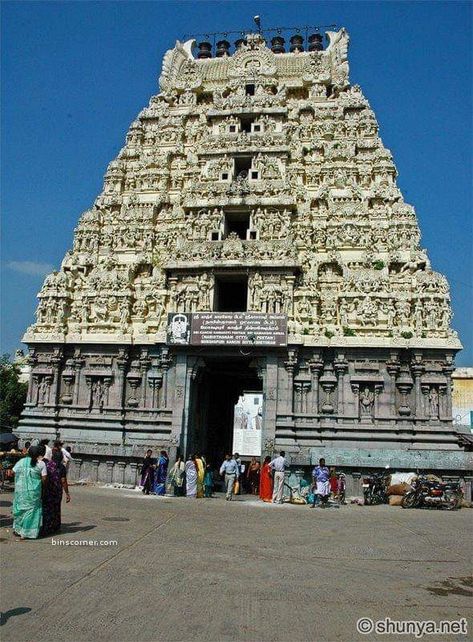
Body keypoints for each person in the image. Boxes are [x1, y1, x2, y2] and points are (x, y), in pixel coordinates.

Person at [11, 445, 48, 539]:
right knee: (32, 511)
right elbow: (44, 478)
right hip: (34, 492)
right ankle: (28, 533)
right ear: (38, 454)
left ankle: (19, 530)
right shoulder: (41, 464)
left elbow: (13, 472)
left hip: (21, 492)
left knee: (21, 510)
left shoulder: (21, 462)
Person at [42, 447, 71, 535]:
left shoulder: (46, 465)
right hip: (57, 491)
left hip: (47, 490)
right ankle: (55, 526)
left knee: (47, 508)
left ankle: (46, 527)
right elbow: (63, 481)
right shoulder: (61, 467)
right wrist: (67, 493)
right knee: (56, 508)